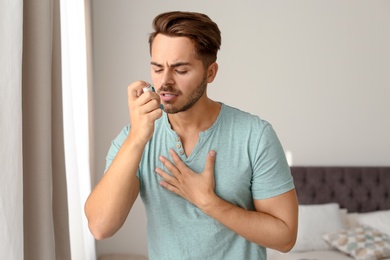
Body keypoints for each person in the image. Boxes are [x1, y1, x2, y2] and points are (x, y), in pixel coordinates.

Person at [85, 11, 298, 260]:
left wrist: (208, 202)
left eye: (181, 70)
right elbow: (100, 227)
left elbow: (285, 237)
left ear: (210, 73)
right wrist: (137, 138)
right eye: (157, 68)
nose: (165, 82)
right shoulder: (134, 137)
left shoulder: (255, 135)